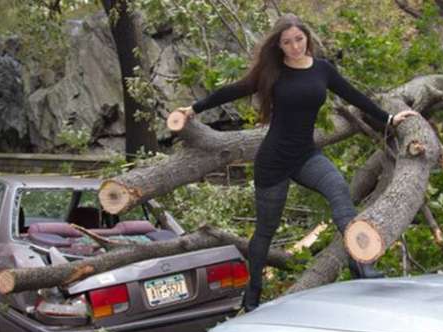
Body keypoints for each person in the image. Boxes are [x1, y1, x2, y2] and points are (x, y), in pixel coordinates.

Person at [175, 14, 418, 311]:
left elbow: (354, 96)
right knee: (266, 230)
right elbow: (233, 89)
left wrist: (389, 118)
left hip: (306, 155)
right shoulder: (272, 73)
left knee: (339, 191)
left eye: (299, 40)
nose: (294, 47)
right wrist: (194, 108)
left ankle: (362, 265)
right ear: (279, 45)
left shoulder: (323, 70)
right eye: (287, 42)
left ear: (307, 38)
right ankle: (252, 294)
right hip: (273, 162)